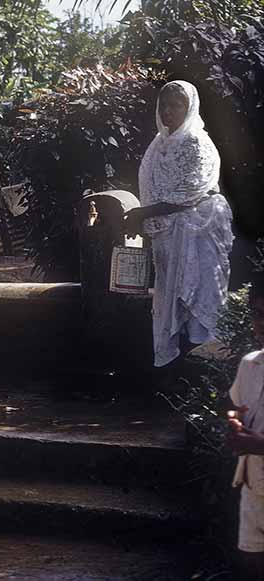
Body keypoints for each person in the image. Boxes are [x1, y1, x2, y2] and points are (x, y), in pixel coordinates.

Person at [124, 80, 234, 370]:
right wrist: (144, 216)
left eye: (176, 105)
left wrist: (142, 213)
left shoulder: (196, 141)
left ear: (190, 108)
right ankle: (176, 374)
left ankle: (203, 379)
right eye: (164, 105)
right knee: (171, 303)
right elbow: (154, 188)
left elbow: (188, 193)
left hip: (198, 233)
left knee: (196, 301)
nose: (169, 111)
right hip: (167, 236)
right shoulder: (158, 145)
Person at [226, 275, 264, 579]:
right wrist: (234, 422)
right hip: (255, 486)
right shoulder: (250, 365)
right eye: (257, 314)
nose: (261, 323)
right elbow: (238, 408)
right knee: (251, 561)